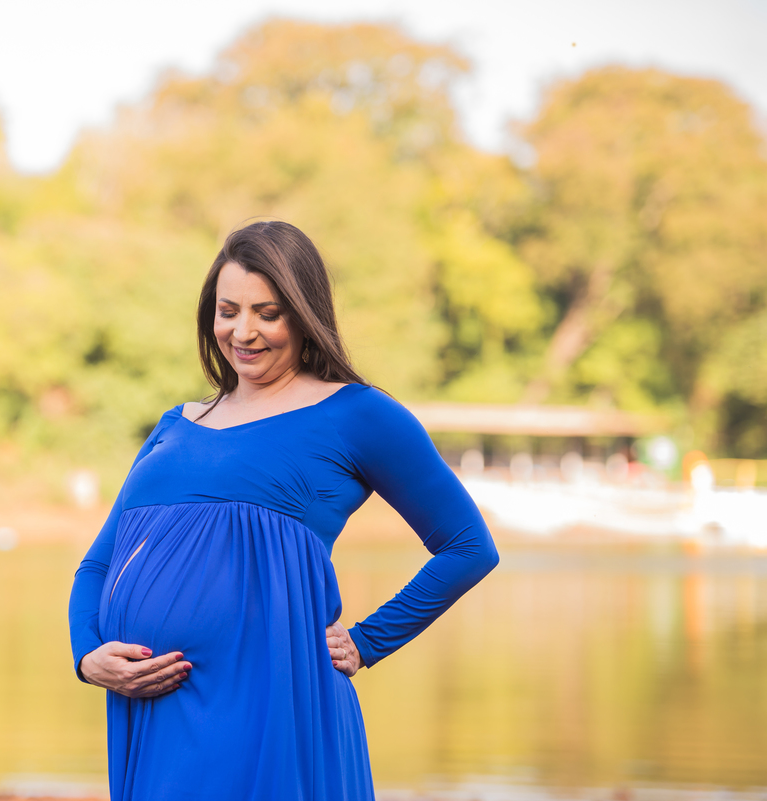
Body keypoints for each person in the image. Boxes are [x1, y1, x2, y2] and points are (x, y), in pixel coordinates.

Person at [67, 221, 499, 801]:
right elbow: (97, 566)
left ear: (304, 314)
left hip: (271, 706)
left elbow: (469, 547)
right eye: (228, 310)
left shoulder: (358, 415)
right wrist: (87, 655)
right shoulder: (175, 425)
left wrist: (370, 641)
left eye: (267, 313)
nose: (243, 331)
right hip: (152, 711)